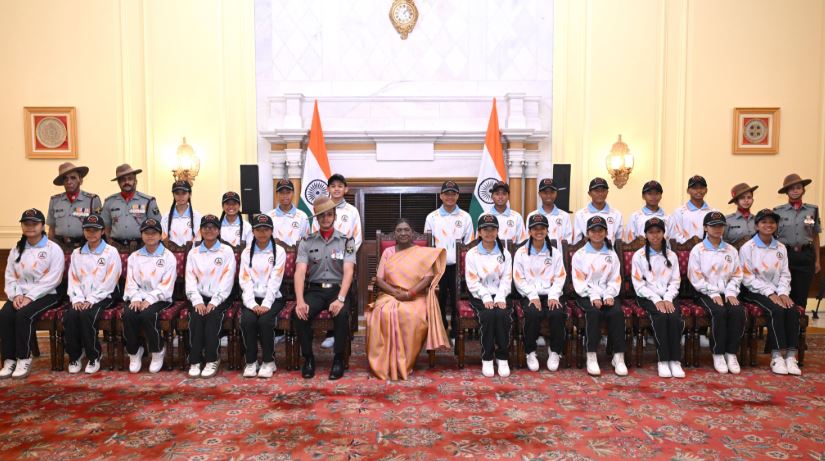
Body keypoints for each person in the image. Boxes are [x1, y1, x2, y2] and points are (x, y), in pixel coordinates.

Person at [366, 218, 450, 380]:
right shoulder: (388, 252)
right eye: (399, 230)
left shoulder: (421, 253)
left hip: (415, 296)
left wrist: (409, 294)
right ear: (395, 234)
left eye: (406, 230)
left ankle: (404, 363)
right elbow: (379, 279)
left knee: (411, 316)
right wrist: (395, 292)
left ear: (412, 233)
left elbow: (427, 278)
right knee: (382, 312)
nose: (403, 233)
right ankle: (385, 363)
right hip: (390, 294)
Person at [293, 196, 355, 380]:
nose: (326, 218)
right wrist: (300, 301)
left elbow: (349, 272)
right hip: (316, 290)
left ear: (335, 216)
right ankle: (309, 359)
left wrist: (341, 299)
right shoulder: (307, 241)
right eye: (322, 216)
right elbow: (299, 272)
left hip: (338, 289)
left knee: (342, 314)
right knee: (299, 314)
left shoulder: (347, 241)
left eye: (329, 215)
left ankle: (338, 359)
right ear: (317, 219)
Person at [0, 209, 64, 378]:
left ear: (42, 226)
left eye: (34, 223)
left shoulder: (53, 249)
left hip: (47, 294)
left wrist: (30, 297)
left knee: (23, 315)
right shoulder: (17, 249)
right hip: (20, 294)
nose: (30, 227)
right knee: (5, 315)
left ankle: (23, 357)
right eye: (26, 223)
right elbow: (10, 275)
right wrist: (16, 295)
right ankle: (9, 359)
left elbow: (53, 279)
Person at [739, 208, 800, 375]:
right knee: (777, 310)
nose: (768, 225)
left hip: (777, 291)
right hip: (754, 291)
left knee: (792, 309)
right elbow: (747, 277)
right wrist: (770, 293)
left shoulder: (780, 247)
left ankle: (791, 356)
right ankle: (777, 356)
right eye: (764, 222)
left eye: (772, 222)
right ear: (756, 225)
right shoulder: (748, 248)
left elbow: (785, 274)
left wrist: (782, 293)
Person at [64, 213, 122, 374]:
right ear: (83, 232)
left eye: (95, 230)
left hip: (105, 296)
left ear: (102, 231)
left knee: (87, 315)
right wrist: (76, 298)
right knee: (71, 316)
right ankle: (75, 356)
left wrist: (91, 298)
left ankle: (93, 356)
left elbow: (111, 280)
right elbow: (73, 278)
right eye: (88, 230)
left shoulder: (111, 252)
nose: (91, 233)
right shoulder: (77, 253)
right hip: (80, 297)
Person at [688, 211, 745, 374]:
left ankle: (731, 352)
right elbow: (695, 277)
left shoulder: (731, 250)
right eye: (713, 226)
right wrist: (713, 293)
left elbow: (737, 274)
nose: (717, 229)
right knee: (718, 312)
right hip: (704, 292)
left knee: (738, 311)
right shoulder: (698, 250)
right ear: (705, 228)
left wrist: (731, 293)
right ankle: (718, 353)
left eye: (720, 225)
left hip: (727, 292)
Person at [310, 174, 361, 350]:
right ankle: (328, 332)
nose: (337, 189)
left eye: (340, 186)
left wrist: (345, 255)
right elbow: (314, 232)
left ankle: (339, 333)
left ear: (345, 189)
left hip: (344, 259)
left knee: (342, 295)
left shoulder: (352, 211)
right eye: (333, 186)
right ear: (328, 189)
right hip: (323, 258)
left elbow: (357, 236)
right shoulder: (320, 208)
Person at [630, 217, 685, 378]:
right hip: (647, 296)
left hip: (668, 296)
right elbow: (638, 284)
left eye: (658, 232)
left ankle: (675, 360)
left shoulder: (671, 255)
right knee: (660, 316)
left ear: (663, 233)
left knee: (674, 316)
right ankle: (663, 360)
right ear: (646, 235)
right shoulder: (639, 256)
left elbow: (675, 281)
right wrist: (656, 299)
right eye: (651, 232)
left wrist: (668, 298)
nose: (655, 236)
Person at [572, 216, 626, 376]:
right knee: (593, 312)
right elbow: (579, 281)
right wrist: (593, 296)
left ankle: (618, 356)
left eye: (600, 230)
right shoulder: (579, 255)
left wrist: (609, 294)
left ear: (606, 232)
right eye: (593, 231)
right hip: (586, 294)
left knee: (616, 312)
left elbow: (615, 278)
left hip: (608, 293)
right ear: (587, 233)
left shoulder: (612, 253)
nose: (597, 234)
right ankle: (591, 355)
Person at [184, 214, 237, 378]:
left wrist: (214, 301)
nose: (209, 230)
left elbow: (228, 280)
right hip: (199, 296)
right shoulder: (193, 253)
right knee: (197, 316)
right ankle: (195, 359)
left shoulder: (226, 251)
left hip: (222, 296)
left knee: (213, 316)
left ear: (218, 230)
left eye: (213, 227)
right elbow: (190, 279)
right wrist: (197, 301)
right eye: (206, 227)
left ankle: (212, 359)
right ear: (200, 230)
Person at [122, 218, 177, 374]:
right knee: (128, 314)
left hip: (160, 297)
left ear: (161, 235)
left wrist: (150, 299)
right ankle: (135, 351)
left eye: (154, 233)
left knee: (147, 314)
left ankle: (157, 350)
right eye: (146, 233)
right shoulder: (134, 257)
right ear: (142, 235)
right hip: (138, 296)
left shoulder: (168, 257)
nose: (150, 236)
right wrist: (136, 298)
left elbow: (166, 285)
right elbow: (130, 281)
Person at [513, 214, 567, 372]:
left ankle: (555, 351)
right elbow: (518, 278)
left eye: (542, 228)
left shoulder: (555, 253)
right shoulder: (521, 252)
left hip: (551, 294)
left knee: (557, 312)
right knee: (532, 313)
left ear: (547, 230)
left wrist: (553, 296)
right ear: (529, 231)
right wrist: (532, 296)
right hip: (530, 294)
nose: (539, 231)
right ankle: (530, 351)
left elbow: (560, 276)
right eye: (535, 228)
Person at [424, 180, 474, 341]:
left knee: (456, 299)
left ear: (458, 196)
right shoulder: (432, 217)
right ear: (441, 196)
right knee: (439, 299)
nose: (450, 197)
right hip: (438, 266)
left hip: (458, 267)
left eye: (453, 194)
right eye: (447, 194)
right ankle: (441, 328)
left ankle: (455, 331)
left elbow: (469, 243)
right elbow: (427, 243)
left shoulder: (465, 217)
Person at [465, 214, 513, 377]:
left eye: (493, 229)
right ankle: (487, 358)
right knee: (488, 315)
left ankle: (502, 357)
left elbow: (507, 279)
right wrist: (485, 296)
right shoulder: (472, 254)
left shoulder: (505, 253)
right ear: (479, 232)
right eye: (485, 229)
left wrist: (500, 297)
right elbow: (472, 281)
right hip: (479, 295)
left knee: (502, 315)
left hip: (501, 294)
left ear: (498, 231)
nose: (489, 233)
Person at [239, 214, 286, 378]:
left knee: (265, 321)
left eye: (266, 229)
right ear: (253, 231)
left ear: (272, 231)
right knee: (248, 320)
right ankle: (251, 361)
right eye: (258, 229)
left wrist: (266, 304)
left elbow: (276, 279)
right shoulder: (246, 252)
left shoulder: (279, 251)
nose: (262, 233)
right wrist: (252, 304)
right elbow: (245, 280)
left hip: (273, 298)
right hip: (252, 298)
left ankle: (268, 361)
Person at [774, 173, 821, 311]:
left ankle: (799, 329)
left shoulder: (812, 209)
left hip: (806, 255)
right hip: (785, 256)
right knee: (785, 292)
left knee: (801, 294)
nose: (795, 191)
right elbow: (773, 237)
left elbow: (815, 235)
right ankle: (786, 326)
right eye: (791, 188)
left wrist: (818, 260)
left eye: (798, 187)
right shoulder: (778, 211)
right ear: (786, 192)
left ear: (803, 190)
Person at [101, 164, 161, 249]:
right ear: (118, 183)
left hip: (142, 248)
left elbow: (157, 227)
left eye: (130, 178)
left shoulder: (148, 201)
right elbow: (105, 228)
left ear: (135, 181)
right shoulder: (109, 202)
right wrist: (110, 245)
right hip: (116, 249)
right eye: (122, 180)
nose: (126, 182)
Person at [47, 162, 101, 248]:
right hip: (59, 247)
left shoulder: (92, 200)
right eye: (65, 179)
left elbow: (99, 229)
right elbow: (51, 229)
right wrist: (49, 249)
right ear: (62, 182)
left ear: (80, 180)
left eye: (73, 178)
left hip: (83, 247)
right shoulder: (55, 200)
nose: (69, 182)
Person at [525, 178, 572, 250]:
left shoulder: (565, 216)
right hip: (537, 257)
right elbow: (528, 239)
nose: (548, 195)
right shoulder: (532, 216)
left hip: (558, 258)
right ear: (539, 194)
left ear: (556, 193)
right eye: (545, 192)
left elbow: (568, 241)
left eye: (552, 192)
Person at [573, 177, 623, 244]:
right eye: (596, 191)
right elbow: (576, 241)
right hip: (587, 252)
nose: (600, 193)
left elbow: (620, 241)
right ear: (589, 193)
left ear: (607, 192)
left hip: (611, 252)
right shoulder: (580, 214)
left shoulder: (617, 214)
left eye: (603, 190)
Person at [672, 175, 717, 244]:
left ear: (706, 190)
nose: (699, 190)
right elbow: (676, 235)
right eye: (694, 188)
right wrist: (691, 244)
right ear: (688, 191)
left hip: (709, 252)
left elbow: (717, 233)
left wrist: (704, 246)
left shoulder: (714, 212)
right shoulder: (679, 212)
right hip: (686, 252)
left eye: (701, 188)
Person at [267, 179, 310, 246]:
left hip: (297, 255)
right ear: (276, 194)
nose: (285, 196)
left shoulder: (302, 216)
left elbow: (307, 241)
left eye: (288, 192)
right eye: (282, 193)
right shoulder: (269, 216)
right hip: (275, 255)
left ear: (293, 193)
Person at [160, 180, 202, 246]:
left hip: (191, 254)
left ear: (190, 194)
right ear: (173, 195)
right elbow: (163, 237)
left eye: (184, 193)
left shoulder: (197, 216)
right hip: (170, 254)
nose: (180, 196)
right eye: (177, 193)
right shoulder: (166, 217)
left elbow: (198, 238)